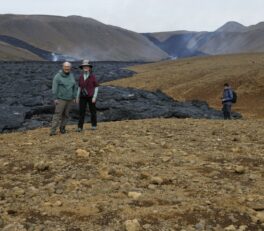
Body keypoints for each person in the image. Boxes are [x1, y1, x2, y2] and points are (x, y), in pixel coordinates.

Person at [50, 62, 77, 136]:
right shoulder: (57, 76)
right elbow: (54, 88)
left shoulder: (71, 75)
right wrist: (55, 98)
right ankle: (53, 131)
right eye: (65, 66)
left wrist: (74, 96)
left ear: (70, 67)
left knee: (66, 114)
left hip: (70, 99)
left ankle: (62, 128)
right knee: (57, 114)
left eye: (68, 67)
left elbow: (74, 86)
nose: (67, 68)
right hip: (61, 99)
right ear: (62, 67)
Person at [76, 60, 99, 132]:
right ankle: (80, 127)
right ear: (82, 68)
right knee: (81, 112)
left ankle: (94, 125)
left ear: (89, 68)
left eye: (87, 66)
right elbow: (79, 87)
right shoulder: (80, 77)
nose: (85, 67)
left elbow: (96, 87)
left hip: (91, 97)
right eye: (84, 67)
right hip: (82, 97)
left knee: (93, 111)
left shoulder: (93, 76)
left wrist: (94, 97)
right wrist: (77, 97)